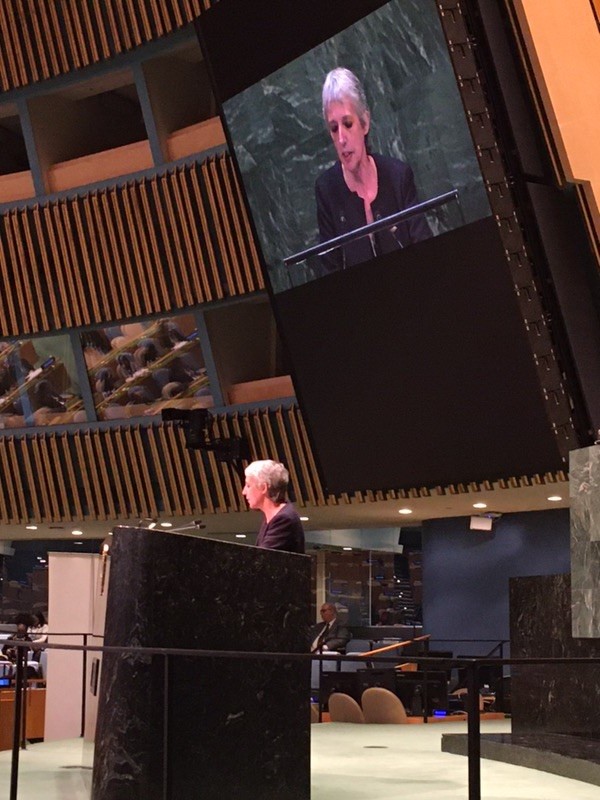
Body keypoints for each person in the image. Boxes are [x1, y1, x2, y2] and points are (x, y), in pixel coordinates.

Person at [315, 67, 431, 273]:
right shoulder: (326, 190)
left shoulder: (398, 176)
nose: (341, 139)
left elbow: (426, 250)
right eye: (334, 128)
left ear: (365, 123)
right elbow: (330, 273)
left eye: (348, 124)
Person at [242, 459, 305, 554]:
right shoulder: (275, 517)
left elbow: (261, 560)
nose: (244, 492)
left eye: (248, 485)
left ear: (263, 488)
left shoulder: (284, 519)